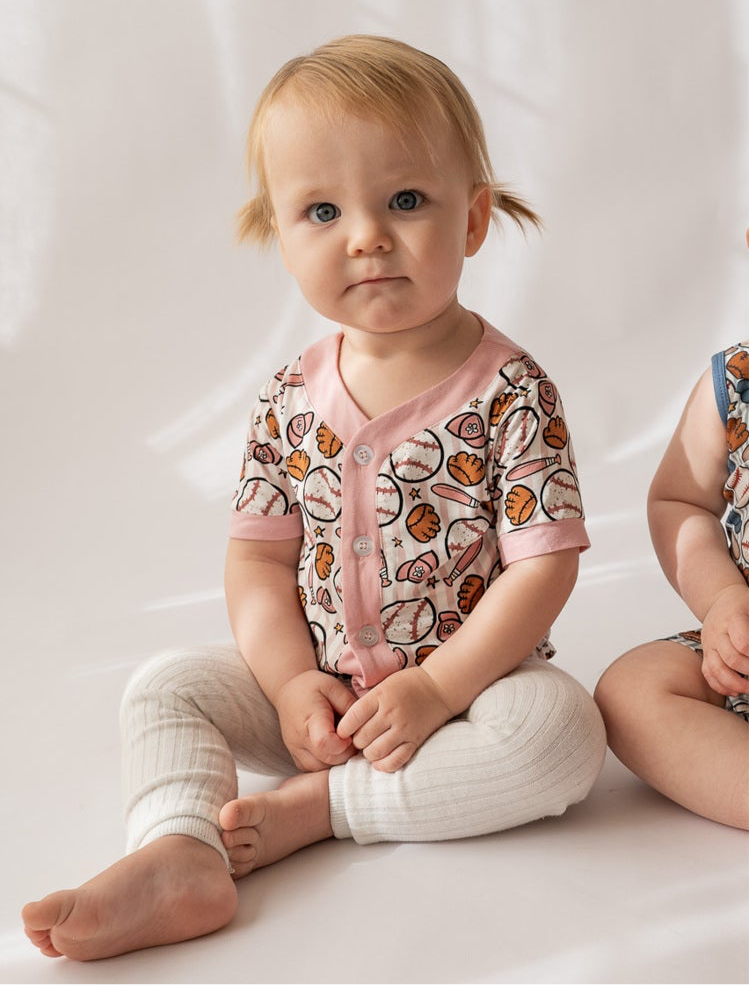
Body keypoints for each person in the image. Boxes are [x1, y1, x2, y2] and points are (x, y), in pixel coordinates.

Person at [22, 34, 605, 961]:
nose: (365, 235)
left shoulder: (511, 391)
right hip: (320, 699)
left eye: (404, 200)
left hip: (471, 692)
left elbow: (543, 568)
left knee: (561, 737)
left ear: (472, 219)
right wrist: (291, 680)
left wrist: (437, 686)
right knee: (165, 684)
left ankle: (325, 810)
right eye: (323, 210)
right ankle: (179, 847)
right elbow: (258, 560)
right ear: (280, 235)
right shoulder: (288, 398)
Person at [595, 306, 749, 827]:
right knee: (630, 692)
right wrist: (721, 598)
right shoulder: (737, 381)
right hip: (744, 662)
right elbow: (680, 503)